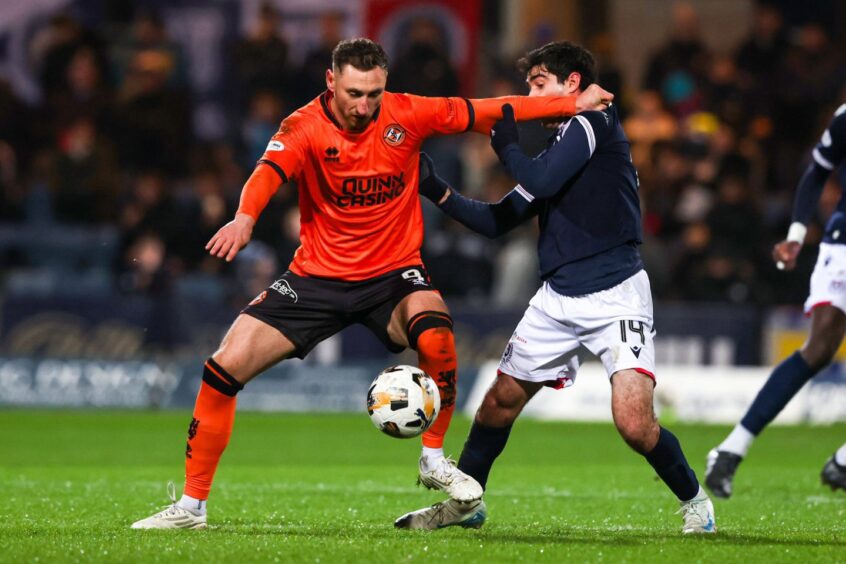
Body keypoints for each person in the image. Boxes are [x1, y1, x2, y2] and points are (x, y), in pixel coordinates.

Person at [130, 38, 613, 529]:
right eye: (355, 93)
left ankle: (432, 458)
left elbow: (489, 108)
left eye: (374, 94)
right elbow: (266, 172)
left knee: (437, 333)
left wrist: (573, 103)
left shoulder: (408, 113)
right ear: (331, 82)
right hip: (315, 277)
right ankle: (191, 507)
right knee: (222, 369)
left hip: (393, 275)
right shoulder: (302, 126)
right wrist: (244, 217)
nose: (364, 106)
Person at [394, 41, 716, 534]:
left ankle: (696, 501)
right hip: (557, 299)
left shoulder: (593, 124)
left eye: (538, 84)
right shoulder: (559, 146)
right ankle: (467, 503)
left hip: (616, 292)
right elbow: (499, 219)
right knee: (498, 402)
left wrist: (505, 147)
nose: (531, 95)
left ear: (572, 86)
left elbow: (541, 182)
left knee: (634, 423)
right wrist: (437, 189)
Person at [705, 102, 846, 498]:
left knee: (818, 350)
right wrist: (797, 234)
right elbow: (818, 171)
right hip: (842, 244)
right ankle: (732, 449)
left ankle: (733, 449)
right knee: (818, 349)